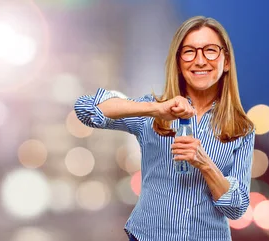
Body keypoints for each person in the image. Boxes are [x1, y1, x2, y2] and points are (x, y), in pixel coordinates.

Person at [74, 16, 255, 241]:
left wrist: (204, 164)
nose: (199, 61)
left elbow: (237, 208)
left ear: (226, 61)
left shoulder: (242, 129)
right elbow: (85, 109)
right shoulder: (153, 113)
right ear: (178, 62)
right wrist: (154, 108)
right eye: (189, 51)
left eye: (210, 50)